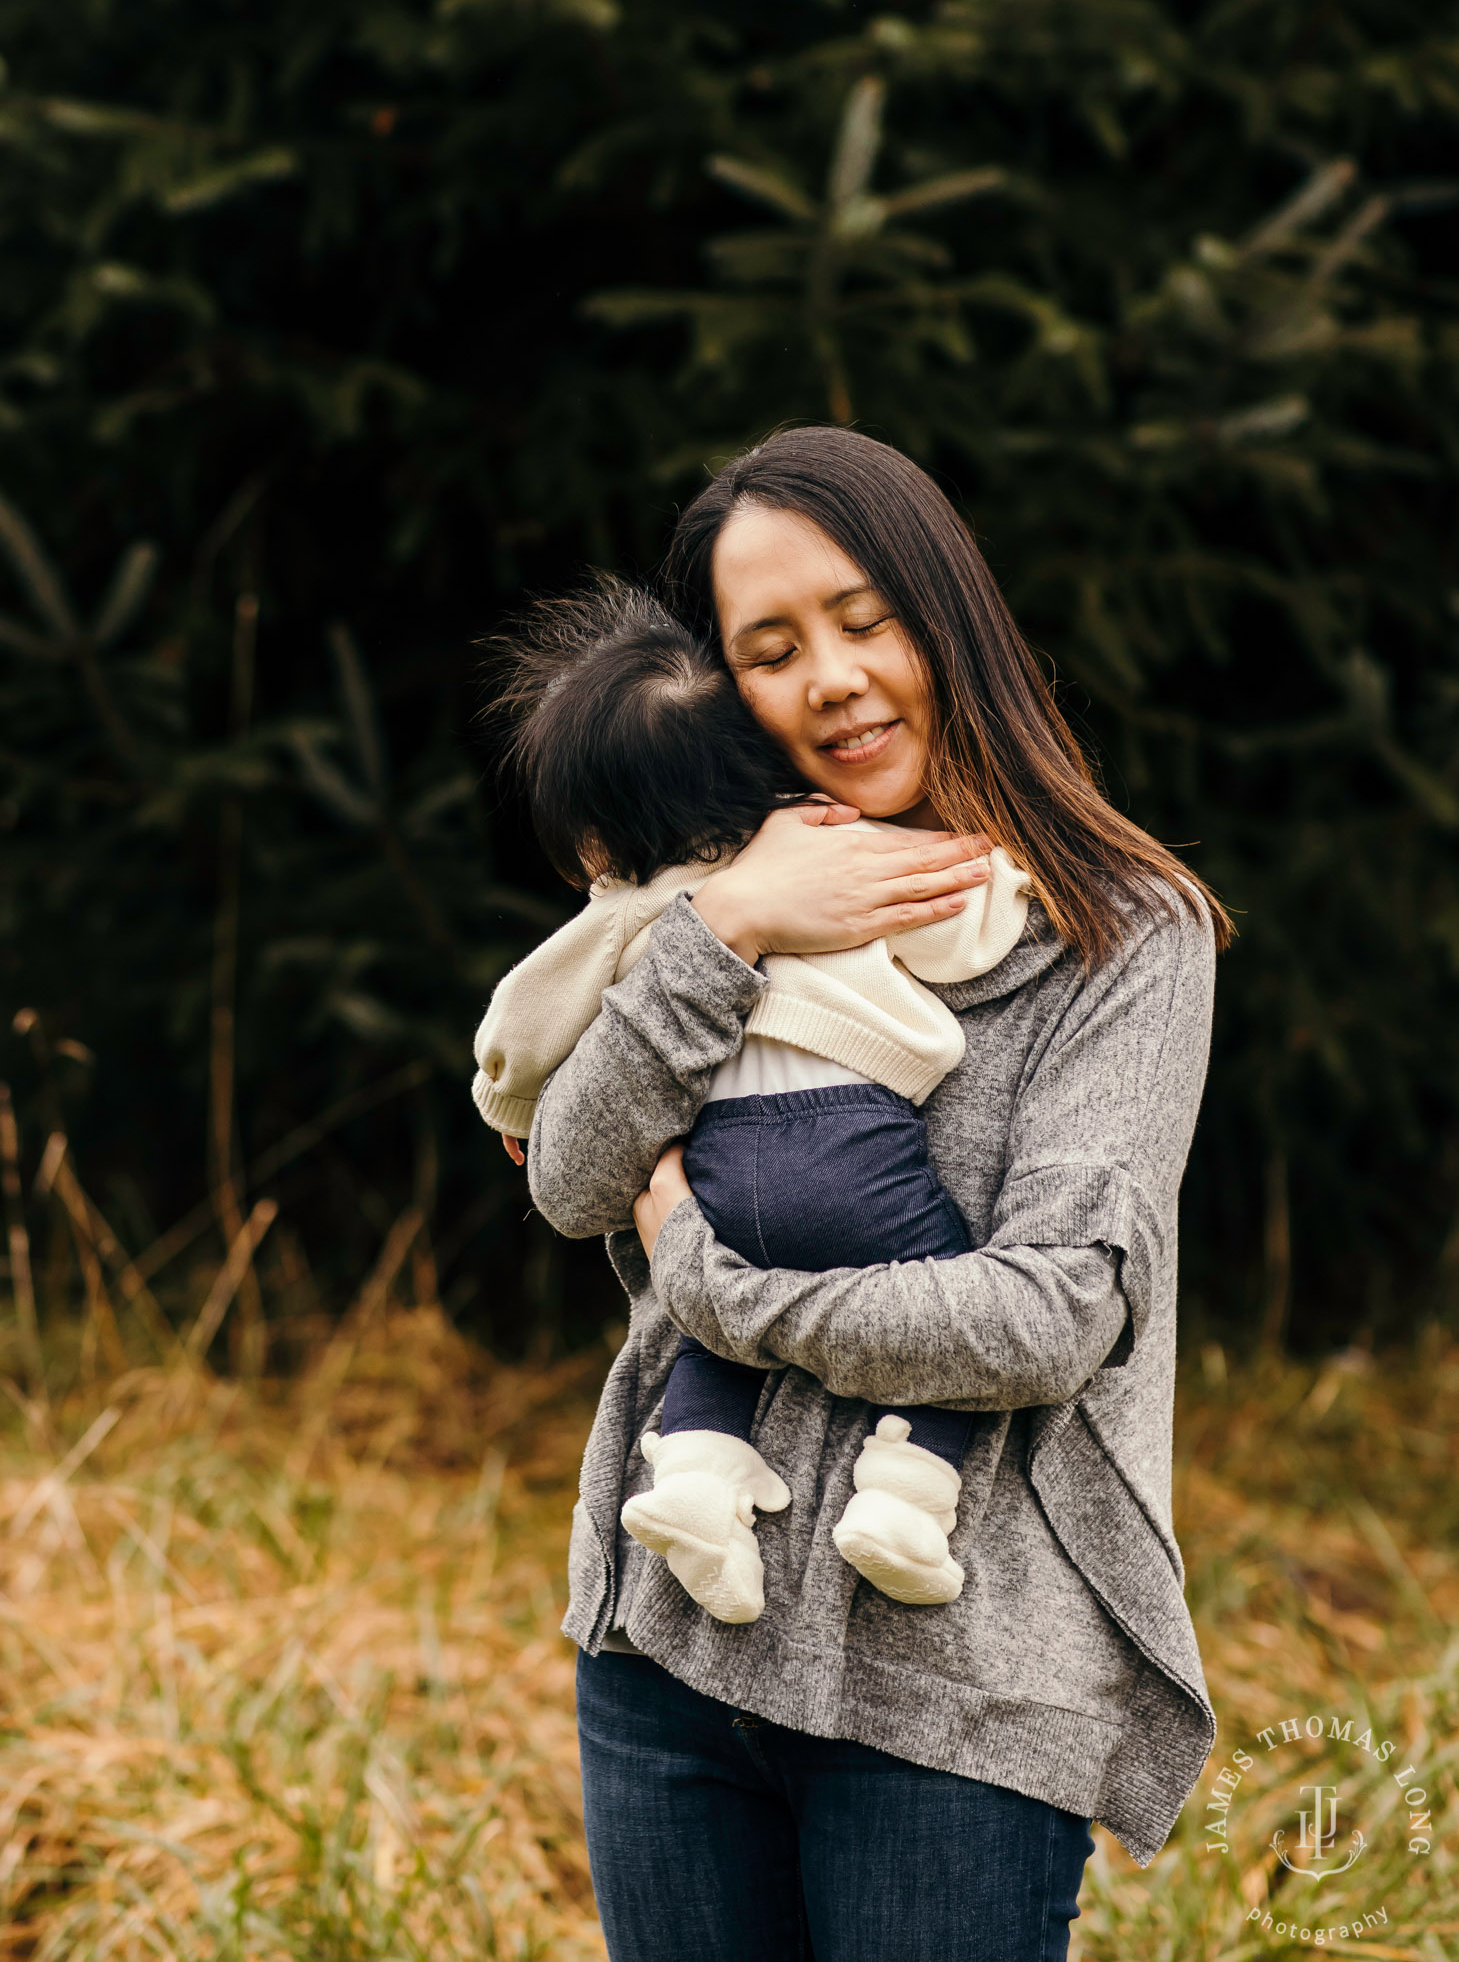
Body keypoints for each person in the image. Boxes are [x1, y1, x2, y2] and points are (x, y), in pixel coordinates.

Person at [522, 427, 1230, 1962]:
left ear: (944, 617)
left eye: (863, 620)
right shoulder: (711, 904)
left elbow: (1044, 1317)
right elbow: (575, 1182)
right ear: (722, 694)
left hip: (955, 1690)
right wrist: (729, 921)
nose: (829, 678)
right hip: (672, 1646)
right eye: (768, 651)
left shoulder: (1119, 935)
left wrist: (712, 1294)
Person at [475, 575, 1036, 1621]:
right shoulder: (828, 851)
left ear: (593, 839)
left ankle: (690, 1483)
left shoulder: (620, 911)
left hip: (717, 1169)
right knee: (941, 1270)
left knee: (709, 1324)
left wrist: (509, 1108)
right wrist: (1009, 872)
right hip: (851, 1141)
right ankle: (906, 1499)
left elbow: (519, 1022)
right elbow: (960, 918)